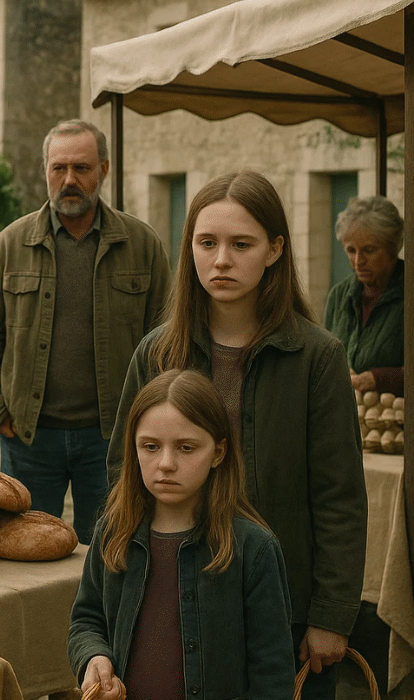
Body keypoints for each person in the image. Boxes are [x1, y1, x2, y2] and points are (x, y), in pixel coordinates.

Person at [108, 170, 366, 699]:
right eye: (207, 243)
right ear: (189, 249)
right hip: (175, 593)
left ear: (275, 250)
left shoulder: (317, 358)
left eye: (240, 244)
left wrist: (331, 615)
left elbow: (339, 497)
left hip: (286, 609)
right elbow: (122, 474)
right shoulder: (157, 353)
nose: (221, 260)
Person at [0, 120, 171, 545]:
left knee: (114, 550)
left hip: (112, 438)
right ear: (45, 171)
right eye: (59, 168)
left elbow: (166, 340)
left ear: (104, 170)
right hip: (29, 437)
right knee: (25, 549)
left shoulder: (141, 245)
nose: (69, 180)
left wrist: (149, 420)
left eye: (82, 167)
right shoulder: (10, 244)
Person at [70, 369, 294, 700]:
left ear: (218, 452)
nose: (166, 463)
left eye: (186, 448)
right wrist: (94, 657)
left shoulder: (253, 548)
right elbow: (86, 620)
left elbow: (273, 678)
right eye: (150, 446)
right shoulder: (113, 531)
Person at [324, 196, 404, 396]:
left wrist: (379, 379)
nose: (358, 261)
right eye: (351, 250)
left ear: (393, 247)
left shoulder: (408, 294)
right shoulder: (339, 296)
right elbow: (324, 359)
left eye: (369, 250)